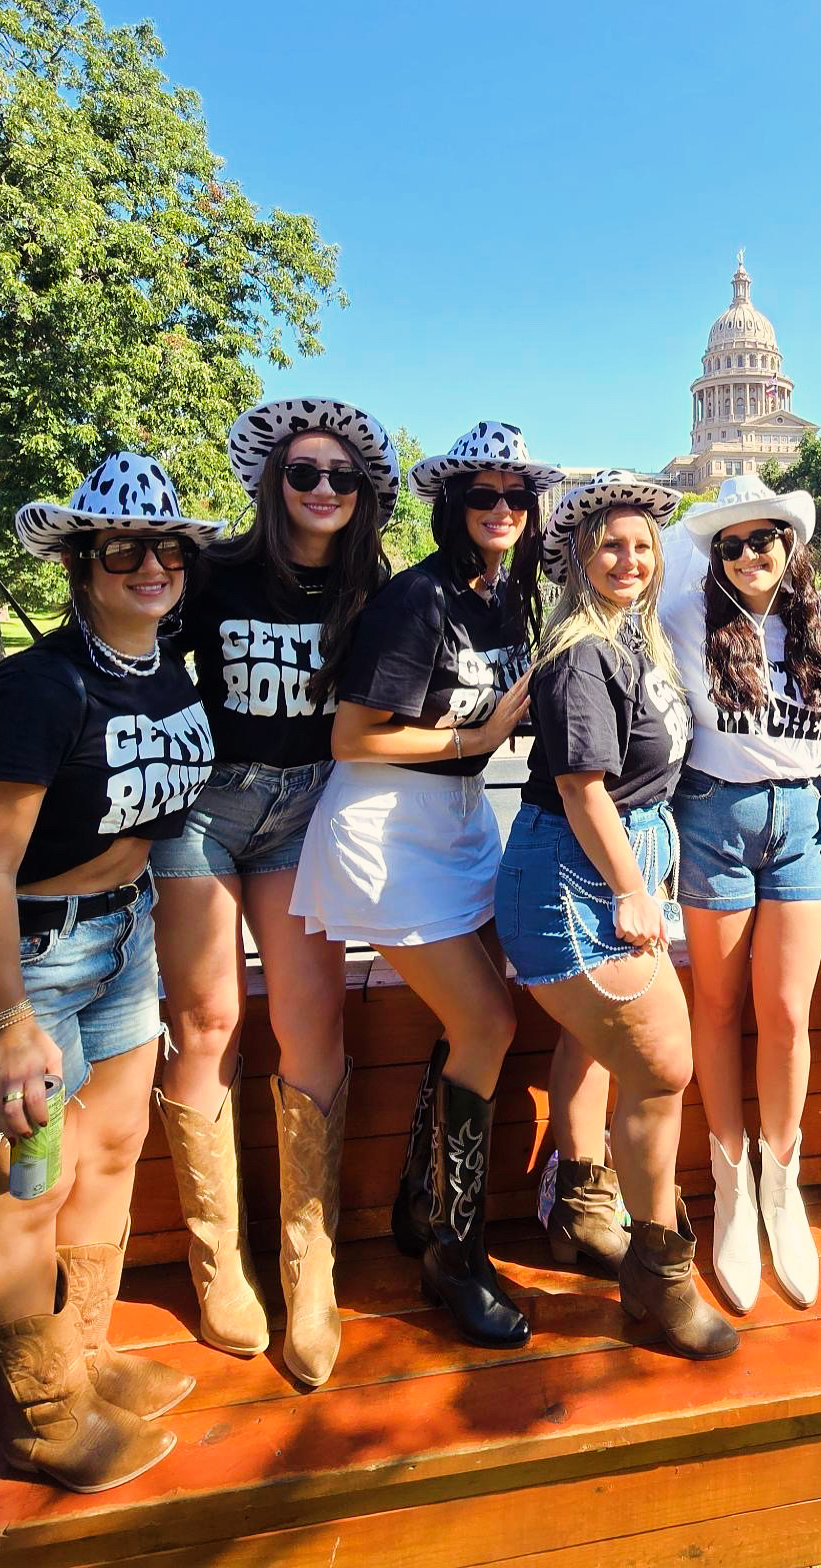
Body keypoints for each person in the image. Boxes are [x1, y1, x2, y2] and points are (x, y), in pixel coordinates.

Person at [0, 453, 220, 1491]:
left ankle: (83, 1353)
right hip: (24, 963)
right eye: (123, 549)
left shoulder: (163, 669)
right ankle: (44, 1410)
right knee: (26, 1194)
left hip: (119, 945)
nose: (151, 565)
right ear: (82, 564)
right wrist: (6, 1024)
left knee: (115, 1148)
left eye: (168, 548)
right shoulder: (31, 692)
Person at [292, 421, 560, 1348]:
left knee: (474, 1017)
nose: (501, 512)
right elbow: (352, 735)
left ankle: (422, 1200)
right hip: (387, 826)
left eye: (516, 498)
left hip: (458, 824)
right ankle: (455, 1251)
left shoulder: (508, 599)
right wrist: (476, 743)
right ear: (453, 507)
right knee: (488, 1020)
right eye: (482, 497)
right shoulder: (421, 598)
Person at [150, 399, 396, 1386]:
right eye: (306, 474)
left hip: (306, 814)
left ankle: (311, 1263)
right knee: (206, 1022)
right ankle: (221, 1264)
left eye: (342, 476)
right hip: (206, 809)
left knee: (311, 1027)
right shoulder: (216, 573)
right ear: (276, 481)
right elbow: (139, 657)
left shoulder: (373, 590)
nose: (324, 490)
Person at [495, 471, 738, 1360]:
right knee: (664, 1067)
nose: (628, 559)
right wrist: (634, 889)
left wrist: (650, 874)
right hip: (575, 875)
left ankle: (582, 1210)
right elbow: (581, 787)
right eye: (610, 545)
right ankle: (660, 1269)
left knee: (599, 1046)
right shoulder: (581, 653)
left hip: (617, 865)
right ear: (576, 556)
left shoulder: (637, 642)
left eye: (641, 545)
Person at [659, 475, 821, 1312]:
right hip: (716, 818)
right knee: (718, 1007)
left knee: (788, 1014)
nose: (747, 555)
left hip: (800, 819)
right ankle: (729, 1187)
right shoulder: (688, 619)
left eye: (761, 539)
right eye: (729, 544)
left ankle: (781, 1183)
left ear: (788, 543)